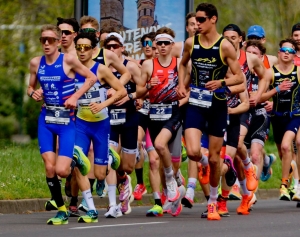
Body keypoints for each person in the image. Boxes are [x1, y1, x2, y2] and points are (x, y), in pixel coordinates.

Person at [177, 3, 244, 220]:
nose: (197, 23)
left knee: (216, 159)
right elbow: (182, 64)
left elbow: (239, 78)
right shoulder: (191, 43)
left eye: (202, 19)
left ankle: (213, 202)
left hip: (217, 105)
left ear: (213, 19)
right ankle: (203, 165)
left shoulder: (224, 46)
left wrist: (222, 82)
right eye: (196, 20)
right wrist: (181, 85)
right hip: (196, 103)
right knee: (195, 152)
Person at [27, 24, 97, 225]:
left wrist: (75, 96)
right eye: (43, 40)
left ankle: (75, 159)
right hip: (47, 119)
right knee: (49, 168)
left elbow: (91, 78)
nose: (46, 43)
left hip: (67, 120)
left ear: (58, 42)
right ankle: (62, 210)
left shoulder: (68, 60)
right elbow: (30, 87)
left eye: (50, 40)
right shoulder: (35, 63)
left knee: (62, 171)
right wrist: (33, 93)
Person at [137, 26, 185, 217]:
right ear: (155, 45)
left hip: (173, 111)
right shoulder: (148, 65)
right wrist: (149, 85)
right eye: (160, 43)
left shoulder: (180, 63)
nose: (163, 46)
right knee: (160, 156)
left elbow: (188, 88)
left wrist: (181, 98)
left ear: (173, 45)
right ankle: (171, 193)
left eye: (167, 43)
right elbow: (140, 92)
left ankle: (171, 182)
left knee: (161, 147)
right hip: (154, 113)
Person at [103, 32, 143, 217]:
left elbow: (144, 88)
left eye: (115, 46)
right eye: (108, 46)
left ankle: (124, 180)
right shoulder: (101, 68)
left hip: (129, 117)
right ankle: (113, 204)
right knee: (110, 159)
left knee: (126, 166)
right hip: (109, 118)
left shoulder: (131, 67)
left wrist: (131, 95)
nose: (112, 49)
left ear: (122, 47)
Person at [259, 38, 300, 201]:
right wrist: (276, 89)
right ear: (279, 52)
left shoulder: (298, 71)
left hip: (295, 115)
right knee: (285, 154)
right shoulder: (270, 72)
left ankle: (285, 185)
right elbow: (260, 97)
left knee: (288, 145)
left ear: (294, 55)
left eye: (290, 51)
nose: (286, 54)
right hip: (277, 117)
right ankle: (293, 184)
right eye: (284, 50)